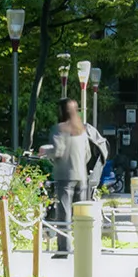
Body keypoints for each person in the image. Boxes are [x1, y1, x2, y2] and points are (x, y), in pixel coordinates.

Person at [46, 101, 106, 249]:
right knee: (81, 214)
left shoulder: (59, 129)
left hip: (64, 176)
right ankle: (82, 247)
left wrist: (46, 152)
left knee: (64, 214)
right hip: (82, 176)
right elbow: (87, 154)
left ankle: (64, 248)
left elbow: (57, 151)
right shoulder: (82, 130)